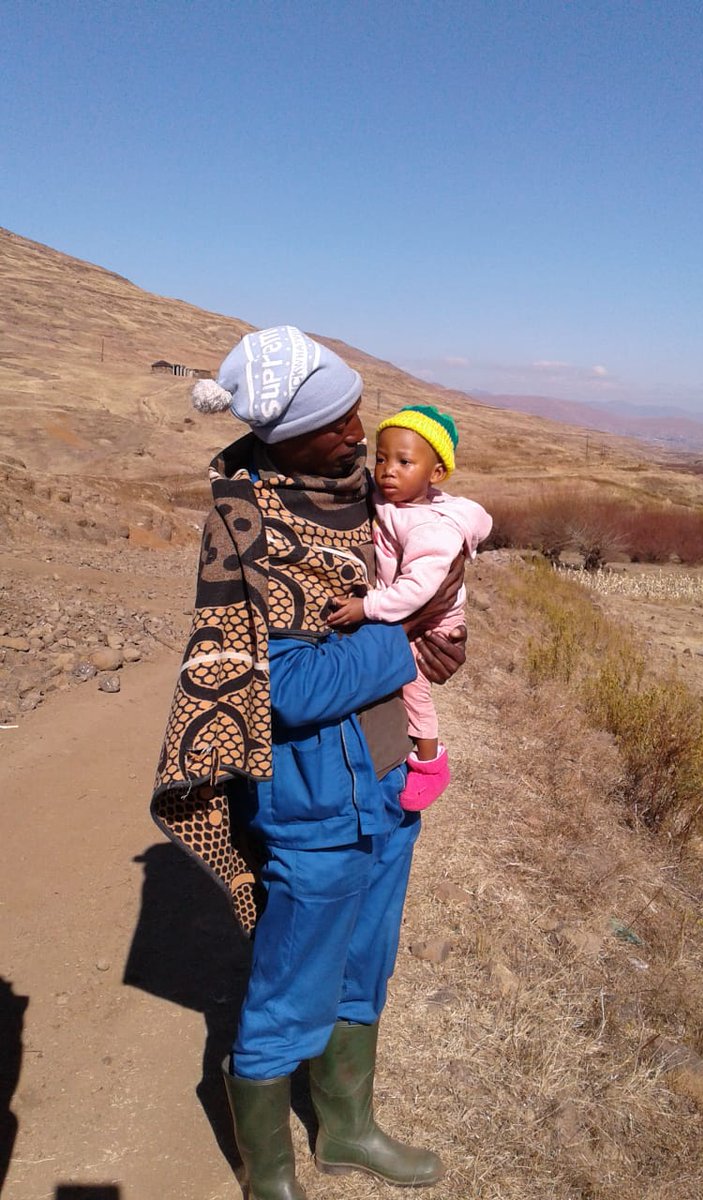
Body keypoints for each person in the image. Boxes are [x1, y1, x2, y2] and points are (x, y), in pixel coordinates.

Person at [150, 326, 467, 1200]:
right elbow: (284, 688)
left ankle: (348, 1128)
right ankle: (268, 1171)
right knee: (294, 982)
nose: (358, 432)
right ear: (282, 435)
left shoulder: (367, 493)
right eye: (337, 424)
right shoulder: (247, 523)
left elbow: (440, 556)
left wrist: (443, 614)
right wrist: (406, 642)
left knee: (366, 963)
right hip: (312, 794)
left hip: (388, 779)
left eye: (359, 411)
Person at [328, 405, 492, 811]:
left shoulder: (429, 527)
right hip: (412, 608)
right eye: (381, 459)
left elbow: (417, 591)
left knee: (413, 687)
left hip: (434, 621)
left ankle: (430, 762)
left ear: (435, 475)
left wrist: (366, 608)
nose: (387, 471)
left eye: (404, 462)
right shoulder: (395, 500)